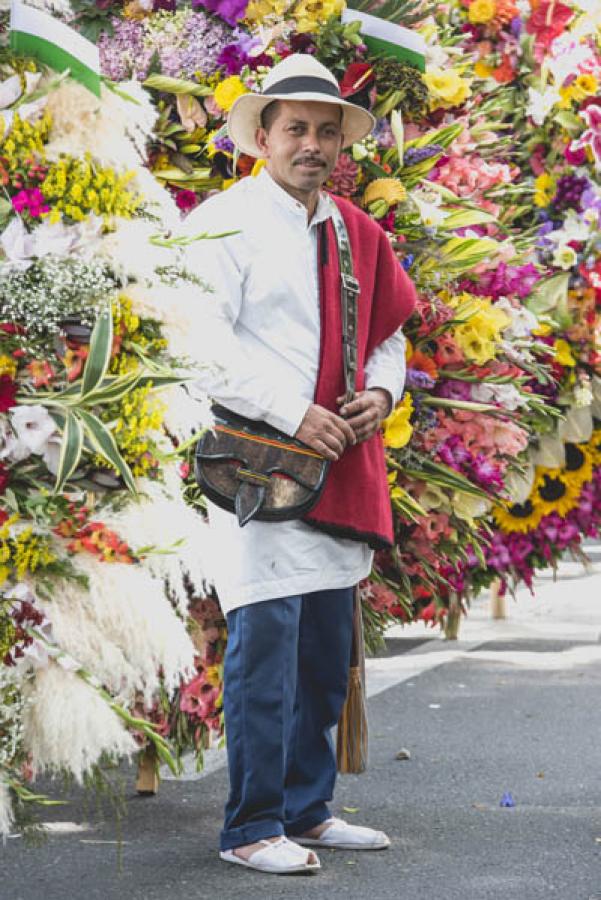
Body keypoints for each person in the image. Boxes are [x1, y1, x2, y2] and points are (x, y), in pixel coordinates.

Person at [184, 53, 417, 875]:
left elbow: (389, 335)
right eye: (295, 129)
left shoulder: (358, 229)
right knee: (265, 653)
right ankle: (250, 827)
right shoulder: (221, 222)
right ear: (261, 137)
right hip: (254, 470)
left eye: (325, 131)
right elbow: (192, 341)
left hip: (339, 465)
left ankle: (308, 811)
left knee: (324, 653)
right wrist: (292, 411)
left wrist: (380, 398)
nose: (311, 144)